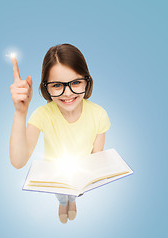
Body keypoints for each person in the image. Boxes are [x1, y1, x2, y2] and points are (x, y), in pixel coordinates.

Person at [9, 43, 111, 224]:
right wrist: (20, 112)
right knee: (61, 195)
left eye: (76, 83)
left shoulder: (99, 114)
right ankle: (63, 203)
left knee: (74, 194)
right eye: (57, 85)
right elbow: (18, 161)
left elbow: (97, 155)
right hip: (56, 176)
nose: (68, 93)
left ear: (87, 81)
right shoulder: (43, 115)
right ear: (45, 87)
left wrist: (90, 176)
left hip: (80, 175)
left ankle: (72, 202)